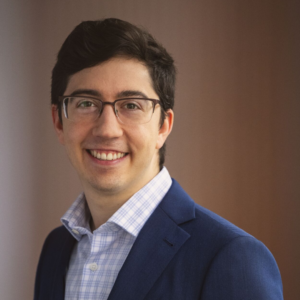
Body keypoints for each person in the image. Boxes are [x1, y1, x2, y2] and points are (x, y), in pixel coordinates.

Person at [34, 18, 283, 300]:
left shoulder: (231, 256)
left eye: (131, 106)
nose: (107, 129)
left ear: (163, 126)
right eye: (86, 104)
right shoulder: (55, 249)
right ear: (58, 121)